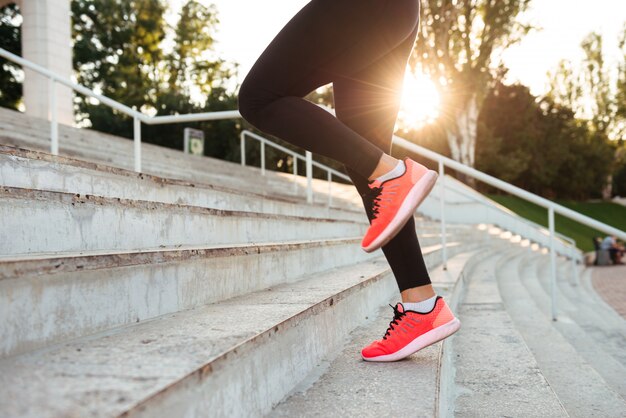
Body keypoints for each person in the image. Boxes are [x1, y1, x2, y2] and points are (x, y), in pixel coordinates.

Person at [238, 0, 460, 362]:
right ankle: (422, 306)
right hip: (394, 14)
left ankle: (393, 172)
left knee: (259, 97)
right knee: (366, 161)